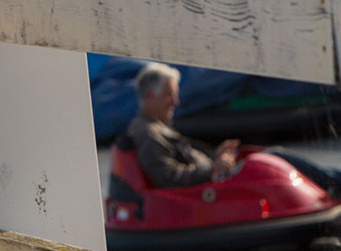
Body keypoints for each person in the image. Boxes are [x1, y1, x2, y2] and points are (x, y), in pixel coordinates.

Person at [126, 64, 341, 195]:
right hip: (207, 191)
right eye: (169, 95)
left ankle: (330, 180)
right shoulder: (148, 133)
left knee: (267, 156)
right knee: (270, 159)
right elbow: (168, 177)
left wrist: (215, 158)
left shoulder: (155, 128)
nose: (176, 101)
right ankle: (332, 182)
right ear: (149, 96)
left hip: (213, 181)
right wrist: (213, 168)